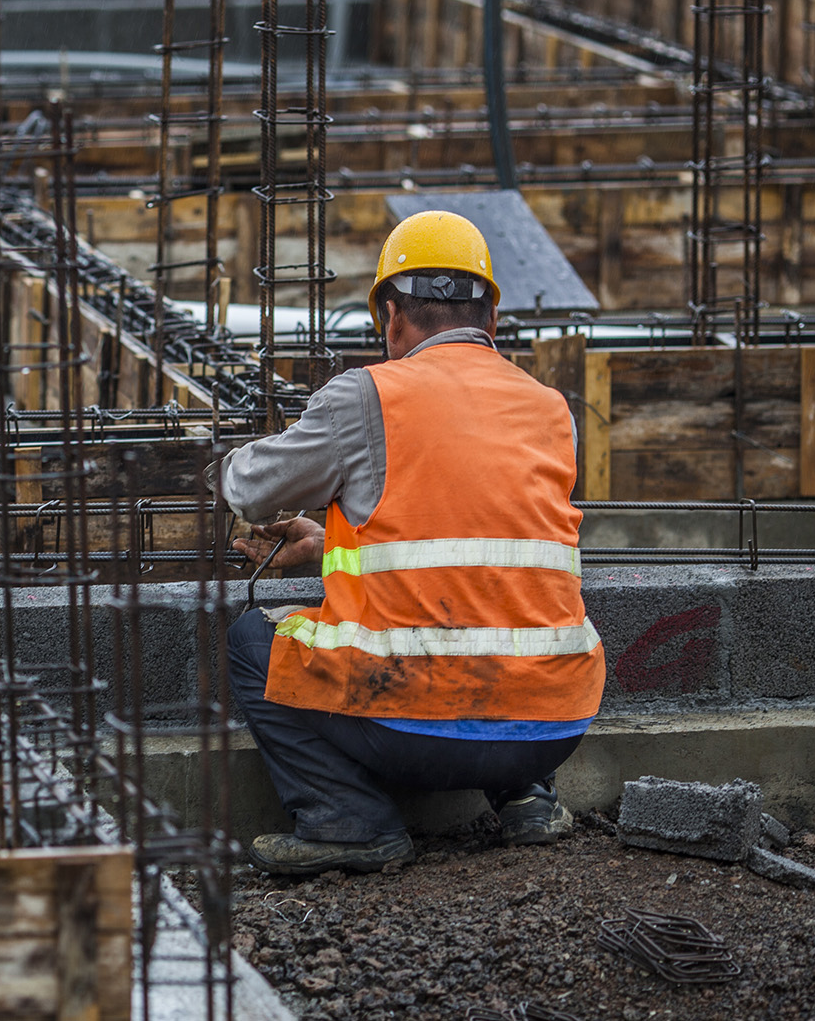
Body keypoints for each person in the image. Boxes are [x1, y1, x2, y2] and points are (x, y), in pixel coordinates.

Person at [214, 210, 605, 876]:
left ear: (391, 317)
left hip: (413, 730)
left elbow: (249, 489)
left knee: (251, 641)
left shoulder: (369, 396)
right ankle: (525, 800)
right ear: (491, 318)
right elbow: (480, 533)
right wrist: (333, 536)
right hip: (554, 725)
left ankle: (348, 823)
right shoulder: (550, 408)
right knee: (507, 617)